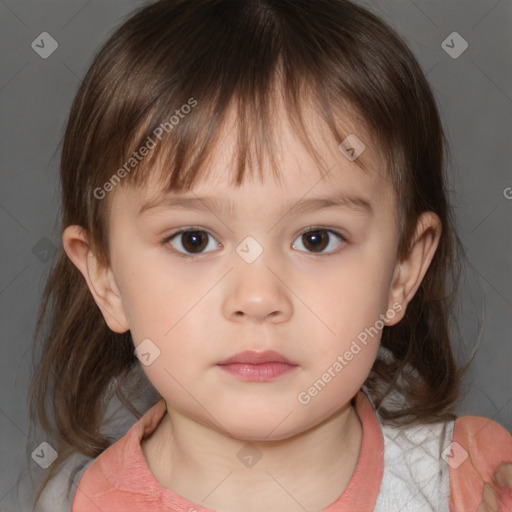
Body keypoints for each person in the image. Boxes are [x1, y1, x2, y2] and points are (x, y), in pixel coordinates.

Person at [28, 0, 512, 510]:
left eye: (317, 238)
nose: (257, 299)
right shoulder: (78, 503)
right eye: (193, 240)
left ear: (402, 270)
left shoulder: (473, 480)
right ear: (105, 277)